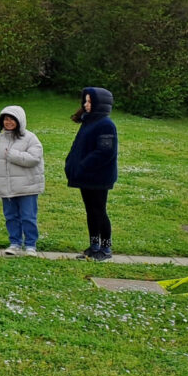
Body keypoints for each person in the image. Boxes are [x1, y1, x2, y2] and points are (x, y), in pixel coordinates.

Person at [65, 87, 118, 261]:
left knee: (99, 211)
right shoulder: (89, 122)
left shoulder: (106, 124)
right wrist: (71, 163)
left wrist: (84, 165)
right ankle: (94, 245)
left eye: (90, 101)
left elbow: (105, 152)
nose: (86, 105)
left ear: (99, 103)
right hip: (86, 176)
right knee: (91, 212)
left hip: (98, 177)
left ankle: (106, 248)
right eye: (85, 101)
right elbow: (79, 147)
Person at [0, 104, 44, 256]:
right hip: (5, 187)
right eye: (6, 119)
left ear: (20, 121)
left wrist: (13, 155)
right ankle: (15, 243)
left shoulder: (30, 138)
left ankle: (31, 245)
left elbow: (34, 158)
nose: (8, 122)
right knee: (11, 216)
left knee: (28, 216)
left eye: (12, 119)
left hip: (27, 187)